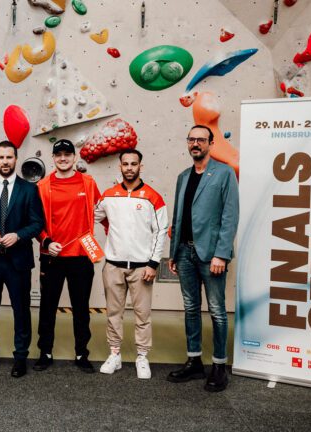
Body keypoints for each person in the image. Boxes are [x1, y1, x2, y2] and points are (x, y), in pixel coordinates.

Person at [167, 125, 239, 392]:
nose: (195, 143)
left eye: (201, 139)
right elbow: (178, 216)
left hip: (211, 256)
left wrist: (222, 253)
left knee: (218, 312)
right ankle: (194, 361)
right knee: (190, 309)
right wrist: (173, 252)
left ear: (210, 143)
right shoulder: (183, 176)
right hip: (184, 253)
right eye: (191, 139)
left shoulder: (224, 173)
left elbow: (230, 217)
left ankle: (219, 366)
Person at [0, 141, 45, 378]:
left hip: (18, 260)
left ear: (15, 159)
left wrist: (18, 235)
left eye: (9, 157)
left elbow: (37, 223)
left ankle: (20, 357)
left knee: (21, 311)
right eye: (1, 158)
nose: (5, 162)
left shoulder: (29, 189)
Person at [94, 149, 168, 379]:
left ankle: (142, 357)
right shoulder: (108, 196)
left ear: (140, 167)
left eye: (133, 164)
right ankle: (115, 355)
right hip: (113, 265)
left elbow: (161, 231)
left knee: (142, 315)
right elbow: (91, 216)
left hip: (141, 267)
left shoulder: (153, 197)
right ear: (120, 166)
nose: (129, 167)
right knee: (113, 313)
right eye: (125, 164)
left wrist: (153, 263)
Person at [33, 139, 101, 374]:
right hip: (52, 256)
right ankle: (45, 352)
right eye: (58, 154)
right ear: (53, 158)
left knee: (81, 307)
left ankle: (82, 353)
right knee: (47, 306)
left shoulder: (88, 183)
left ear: (74, 157)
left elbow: (103, 213)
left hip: (81, 256)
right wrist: (46, 241)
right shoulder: (42, 186)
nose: (63, 158)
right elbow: (35, 223)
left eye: (67, 154)